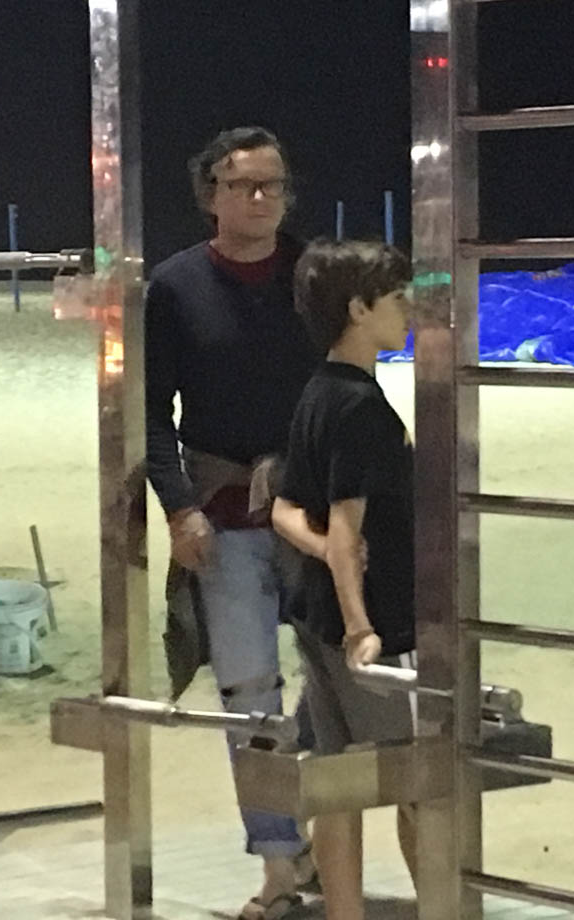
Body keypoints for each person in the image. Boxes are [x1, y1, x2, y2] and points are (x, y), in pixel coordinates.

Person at [145, 126, 322, 920]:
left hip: (318, 516)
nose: (259, 198)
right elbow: (150, 412)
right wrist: (180, 507)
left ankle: (325, 840)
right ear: (208, 195)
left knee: (349, 683)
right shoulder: (175, 287)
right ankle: (280, 863)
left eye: (272, 184)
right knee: (248, 694)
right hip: (224, 519)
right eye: (242, 184)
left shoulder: (315, 276)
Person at [272, 240, 417, 920]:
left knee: (337, 781)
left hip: (314, 615)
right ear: (359, 309)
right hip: (367, 623)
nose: (408, 310)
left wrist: (328, 554)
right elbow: (346, 526)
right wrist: (362, 626)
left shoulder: (316, 392)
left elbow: (285, 510)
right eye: (397, 298)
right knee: (416, 780)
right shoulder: (363, 410)